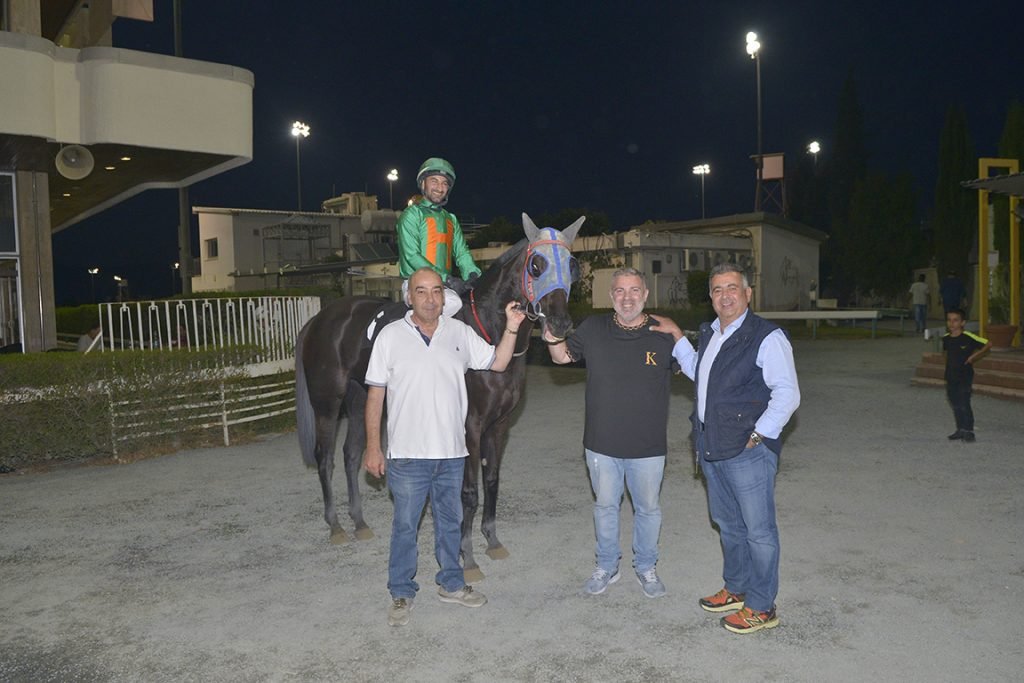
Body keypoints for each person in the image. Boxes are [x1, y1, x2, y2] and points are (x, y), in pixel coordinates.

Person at [362, 267, 526, 627]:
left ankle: (451, 583)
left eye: (436, 290)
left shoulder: (459, 332)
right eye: (421, 291)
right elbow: (375, 394)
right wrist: (373, 446)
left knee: (450, 523)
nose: (430, 298)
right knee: (405, 527)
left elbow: (498, 362)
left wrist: (512, 327)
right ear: (410, 297)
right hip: (407, 455)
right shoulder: (390, 336)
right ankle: (401, 591)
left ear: (443, 297)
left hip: (452, 453)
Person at [657, 263, 800, 634]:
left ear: (748, 293)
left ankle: (762, 606)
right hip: (711, 444)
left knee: (759, 532)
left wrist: (760, 435)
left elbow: (787, 393)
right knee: (729, 525)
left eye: (732, 288)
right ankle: (736, 588)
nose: (725, 296)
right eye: (718, 289)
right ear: (711, 297)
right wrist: (677, 335)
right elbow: (700, 372)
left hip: (747, 450)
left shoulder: (767, 336)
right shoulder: (712, 332)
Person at [544, 268, 679, 598]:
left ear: (646, 294)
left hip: (648, 446)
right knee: (605, 508)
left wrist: (679, 333)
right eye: (620, 291)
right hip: (601, 444)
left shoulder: (663, 333)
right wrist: (550, 334)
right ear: (611, 296)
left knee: (648, 510)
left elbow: (695, 367)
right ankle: (607, 566)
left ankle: (646, 566)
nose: (627, 298)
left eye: (634, 290)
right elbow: (562, 357)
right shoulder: (593, 328)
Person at [396, 157, 481, 317]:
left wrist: (472, 273)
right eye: (434, 181)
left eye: (444, 183)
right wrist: (445, 278)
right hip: (416, 283)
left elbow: (462, 252)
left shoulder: (450, 219)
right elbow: (411, 255)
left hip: (444, 285)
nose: (440, 188)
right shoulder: (411, 215)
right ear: (423, 184)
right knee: (453, 303)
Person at [941, 308, 990, 443]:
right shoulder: (946, 338)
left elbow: (987, 344)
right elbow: (946, 354)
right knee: (955, 403)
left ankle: (969, 430)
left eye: (955, 320)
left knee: (964, 403)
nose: (952, 323)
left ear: (962, 322)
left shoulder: (968, 337)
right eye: (949, 320)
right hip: (950, 376)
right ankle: (960, 429)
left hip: (964, 376)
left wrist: (974, 357)